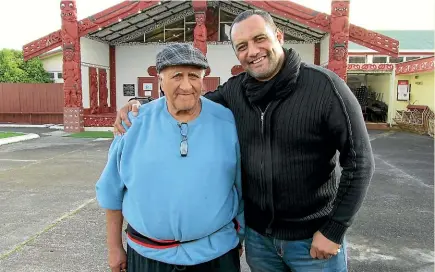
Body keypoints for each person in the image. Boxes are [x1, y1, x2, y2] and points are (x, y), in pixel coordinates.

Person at [114, 10, 375, 272]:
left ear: (279, 36)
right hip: (259, 241)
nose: (252, 51)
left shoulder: (325, 87)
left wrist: (335, 228)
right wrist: (141, 106)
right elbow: (188, 99)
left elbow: (360, 161)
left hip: (312, 240)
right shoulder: (235, 91)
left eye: (259, 38)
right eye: (242, 46)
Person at [96, 43, 244, 272]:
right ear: (160, 81)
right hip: (148, 256)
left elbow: (241, 186)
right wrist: (114, 247)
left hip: (216, 255)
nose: (186, 85)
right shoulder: (134, 123)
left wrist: (239, 235)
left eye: (194, 76)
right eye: (177, 76)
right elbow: (111, 191)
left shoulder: (226, 121)